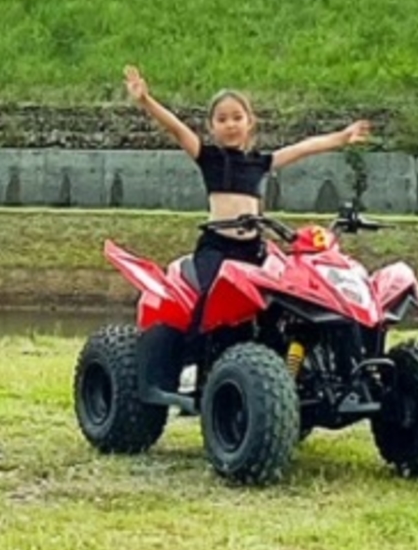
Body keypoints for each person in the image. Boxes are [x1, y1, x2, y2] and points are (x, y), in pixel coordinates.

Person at [121, 65, 369, 392]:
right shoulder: (208, 157)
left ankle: (279, 373)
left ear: (250, 122)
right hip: (217, 248)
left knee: (279, 305)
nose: (230, 124)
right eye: (222, 119)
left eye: (237, 117)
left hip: (253, 250)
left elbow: (304, 148)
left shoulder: (260, 162)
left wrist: (342, 137)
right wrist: (145, 101)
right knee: (208, 299)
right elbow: (177, 129)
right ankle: (191, 367)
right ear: (212, 126)